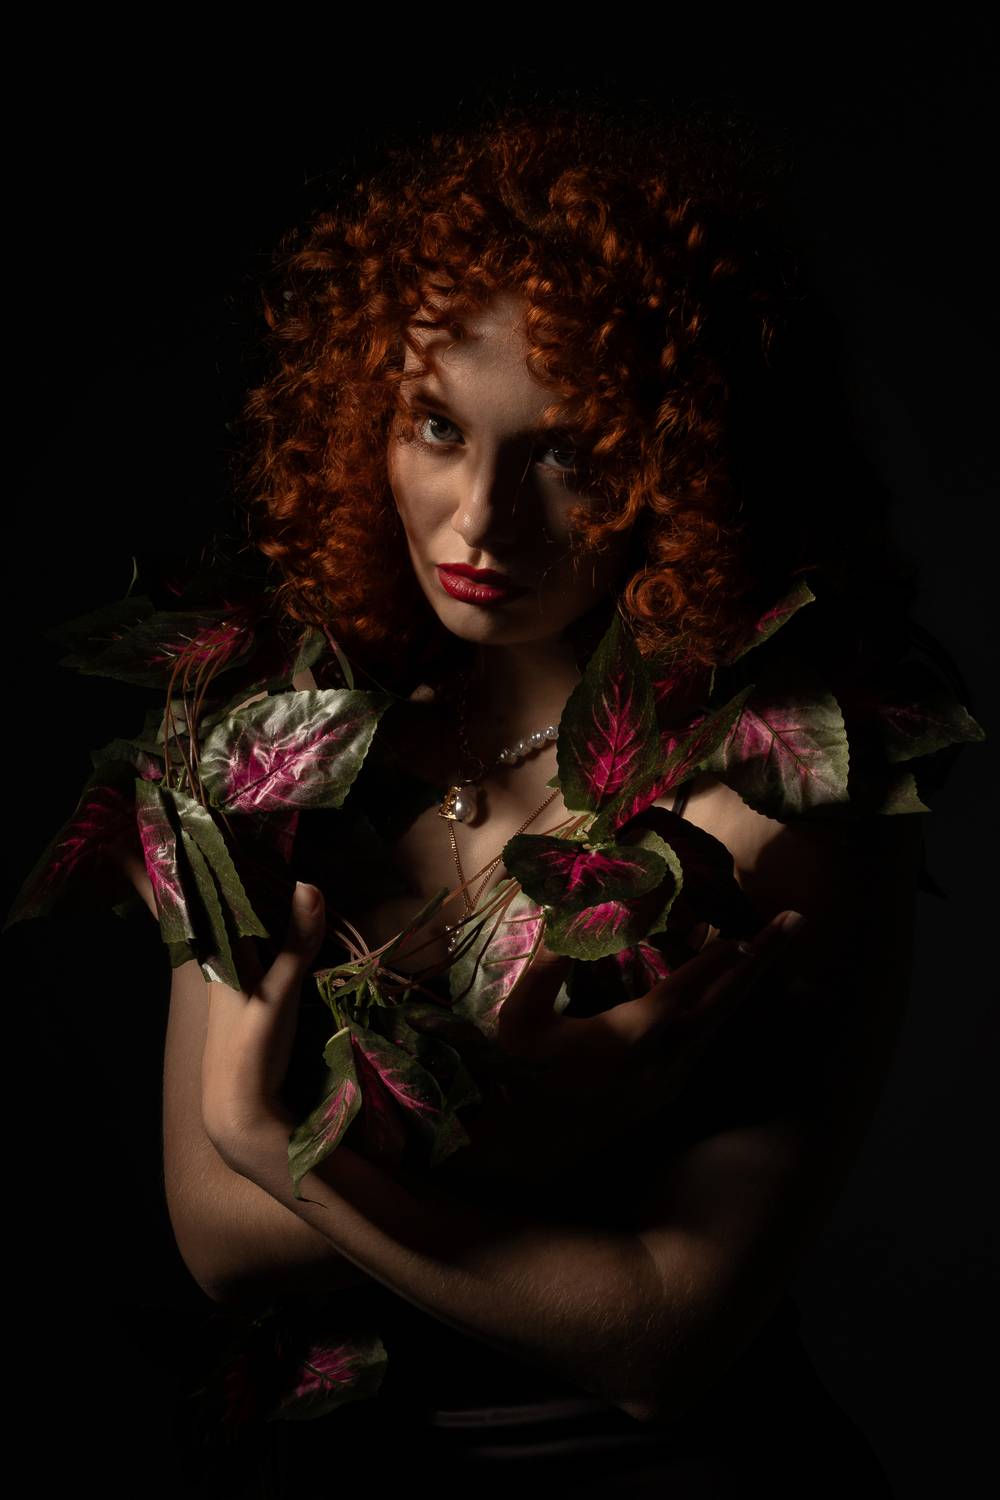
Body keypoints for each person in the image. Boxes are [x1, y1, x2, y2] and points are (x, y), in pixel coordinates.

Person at [10, 99, 982, 1496]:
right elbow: (213, 1241)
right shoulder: (276, 732)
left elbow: (660, 1339)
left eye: (568, 453)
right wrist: (533, 1130)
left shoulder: (772, 799)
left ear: (686, 463)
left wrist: (258, 1129)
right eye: (434, 426)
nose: (480, 518)